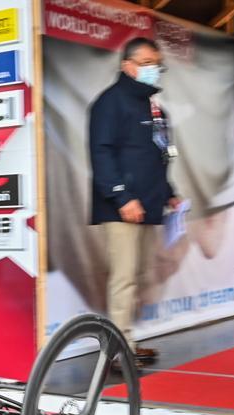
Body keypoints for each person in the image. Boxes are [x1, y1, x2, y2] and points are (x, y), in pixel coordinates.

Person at [88, 37, 180, 362]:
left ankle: (126, 340)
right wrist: (122, 197)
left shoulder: (154, 108)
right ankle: (117, 352)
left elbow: (157, 156)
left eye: (157, 64)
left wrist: (170, 195)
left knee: (138, 277)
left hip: (148, 206)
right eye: (147, 63)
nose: (155, 70)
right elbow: (101, 153)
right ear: (128, 65)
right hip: (121, 209)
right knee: (123, 278)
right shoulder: (110, 102)